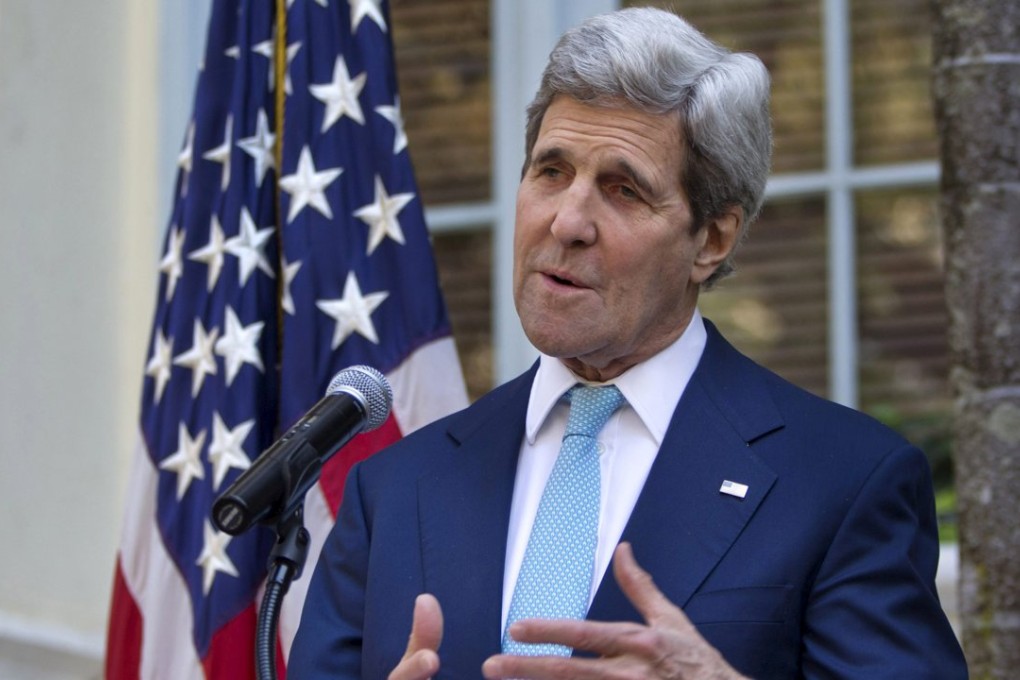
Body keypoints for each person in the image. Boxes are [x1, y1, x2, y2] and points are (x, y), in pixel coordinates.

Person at [289, 7, 967, 679]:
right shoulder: (395, 488)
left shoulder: (843, 483)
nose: (568, 221)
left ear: (712, 239)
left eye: (623, 190)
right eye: (550, 172)